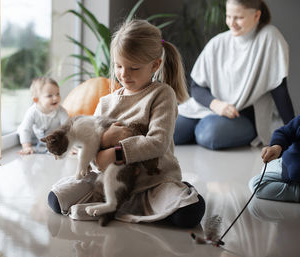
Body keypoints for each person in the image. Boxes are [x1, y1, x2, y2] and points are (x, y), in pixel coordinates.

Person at [47, 19, 205, 228]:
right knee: (56, 200)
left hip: (152, 182)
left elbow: (158, 142)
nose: (123, 74)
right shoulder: (105, 102)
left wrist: (117, 153)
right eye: (119, 66)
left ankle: (176, 190)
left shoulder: (161, 94)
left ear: (155, 65)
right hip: (111, 183)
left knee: (188, 214)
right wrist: (104, 140)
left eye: (134, 68)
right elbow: (96, 160)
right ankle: (120, 205)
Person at [175, 0, 294, 150]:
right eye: (228, 16)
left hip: (243, 115)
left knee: (209, 133)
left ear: (257, 15)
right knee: (169, 130)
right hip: (208, 108)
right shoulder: (218, 42)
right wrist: (216, 105)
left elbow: (280, 89)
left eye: (238, 17)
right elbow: (196, 87)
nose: (232, 23)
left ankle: (199, 130)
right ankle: (196, 129)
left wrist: (293, 133)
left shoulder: (269, 37)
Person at [248, 115, 300, 202]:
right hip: (285, 162)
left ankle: (297, 192)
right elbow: (284, 132)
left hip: (294, 175)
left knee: (256, 185)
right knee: (268, 163)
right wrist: (276, 147)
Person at [17, 77, 69, 155]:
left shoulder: (61, 111)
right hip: (36, 138)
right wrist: (26, 146)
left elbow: (68, 129)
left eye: (57, 94)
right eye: (49, 96)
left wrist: (70, 146)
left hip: (53, 140)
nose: (55, 98)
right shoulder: (32, 112)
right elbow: (25, 129)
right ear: (36, 100)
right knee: (21, 129)